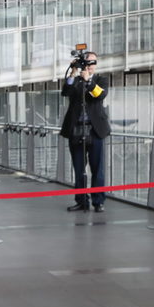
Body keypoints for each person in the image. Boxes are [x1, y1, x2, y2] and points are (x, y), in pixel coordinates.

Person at [60, 51, 110, 212]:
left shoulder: (100, 79)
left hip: (95, 130)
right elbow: (65, 92)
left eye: (93, 63)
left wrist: (88, 81)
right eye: (87, 63)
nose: (90, 66)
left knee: (98, 169)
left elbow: (100, 96)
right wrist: (73, 73)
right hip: (75, 129)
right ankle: (81, 200)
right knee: (79, 168)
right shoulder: (75, 81)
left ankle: (98, 201)